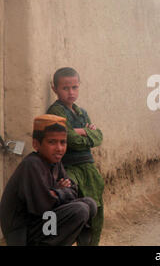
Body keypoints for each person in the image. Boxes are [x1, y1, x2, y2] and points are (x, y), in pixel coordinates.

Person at [0, 115, 98, 246]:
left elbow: (73, 191)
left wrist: (56, 193)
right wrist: (59, 192)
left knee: (90, 204)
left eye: (63, 142)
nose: (59, 148)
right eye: (52, 142)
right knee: (80, 210)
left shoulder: (54, 162)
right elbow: (42, 205)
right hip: (24, 232)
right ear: (36, 144)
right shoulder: (32, 164)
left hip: (43, 222)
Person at [47, 67, 104, 246]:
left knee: (96, 211)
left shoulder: (81, 112)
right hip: (69, 168)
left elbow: (99, 136)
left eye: (75, 87)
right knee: (77, 209)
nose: (71, 92)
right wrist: (86, 132)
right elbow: (70, 140)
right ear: (54, 88)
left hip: (88, 168)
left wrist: (81, 132)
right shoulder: (56, 111)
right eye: (65, 88)